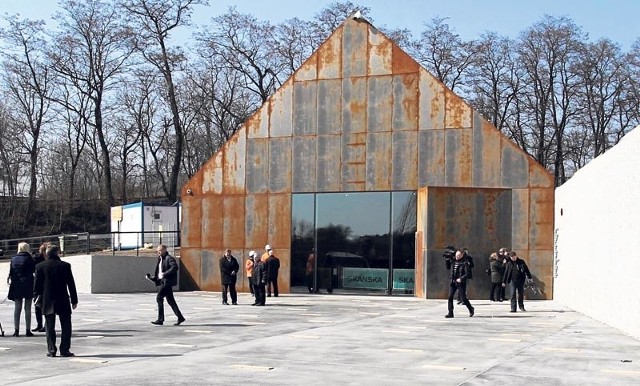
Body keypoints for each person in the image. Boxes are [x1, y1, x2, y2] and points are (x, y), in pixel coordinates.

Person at [34, 245, 78, 357]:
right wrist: (74, 300)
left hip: (47, 299)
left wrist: (37, 299)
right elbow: (71, 284)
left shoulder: (40, 266)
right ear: (57, 253)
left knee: (49, 326)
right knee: (66, 325)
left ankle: (51, 350)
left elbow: (37, 286)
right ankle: (65, 349)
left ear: (47, 254)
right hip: (62, 298)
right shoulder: (65, 266)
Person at [148, 244, 185, 326]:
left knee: (159, 298)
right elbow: (159, 272)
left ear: (164, 250)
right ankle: (180, 317)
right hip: (163, 282)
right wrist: (153, 277)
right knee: (171, 301)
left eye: (160, 250)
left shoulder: (169, 258)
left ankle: (160, 319)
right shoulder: (160, 259)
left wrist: (165, 274)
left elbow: (174, 267)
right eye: (157, 250)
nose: (158, 252)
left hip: (166, 282)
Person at [7, 242, 36, 337]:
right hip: (28, 284)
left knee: (17, 308)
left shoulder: (14, 259)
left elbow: (11, 272)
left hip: (17, 284)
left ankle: (16, 330)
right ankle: (28, 330)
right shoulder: (30, 259)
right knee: (27, 308)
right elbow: (33, 271)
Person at [445, 249, 474, 318]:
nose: (457, 257)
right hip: (453, 282)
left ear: (462, 255)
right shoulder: (453, 261)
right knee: (450, 297)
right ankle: (450, 312)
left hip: (461, 282)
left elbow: (468, 274)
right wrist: (447, 260)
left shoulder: (465, 263)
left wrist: (461, 278)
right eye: (456, 255)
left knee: (463, 298)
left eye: (458, 255)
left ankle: (471, 309)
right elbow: (448, 267)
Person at [31, 242, 49, 332]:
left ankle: (40, 324)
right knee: (46, 306)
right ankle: (45, 325)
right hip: (47, 285)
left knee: (38, 305)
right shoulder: (47, 259)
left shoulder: (37, 259)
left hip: (40, 284)